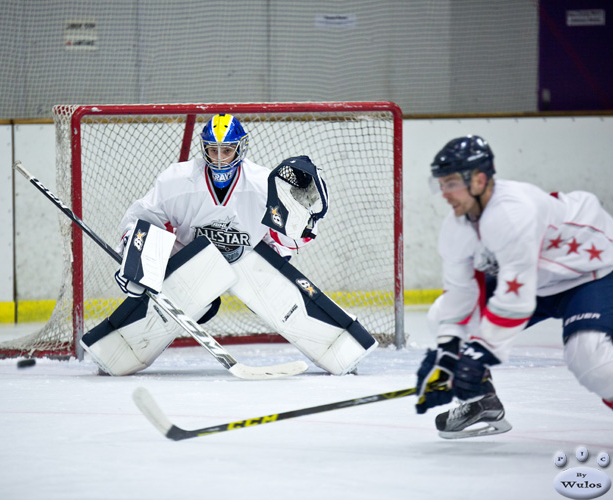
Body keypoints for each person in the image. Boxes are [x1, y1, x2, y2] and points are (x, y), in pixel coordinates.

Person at [80, 114, 378, 376]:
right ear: (204, 148)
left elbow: (286, 244)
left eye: (227, 150)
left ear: (240, 148)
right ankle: (114, 350)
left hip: (248, 263)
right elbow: (139, 219)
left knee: (270, 276)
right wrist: (135, 261)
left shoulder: (263, 184)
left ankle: (342, 347)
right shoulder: (178, 179)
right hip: (190, 263)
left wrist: (301, 223)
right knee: (157, 246)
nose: (220, 158)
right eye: (213, 150)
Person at [415, 135, 613, 439]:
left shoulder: (513, 212)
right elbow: (460, 296)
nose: (445, 193)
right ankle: (482, 401)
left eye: (452, 183)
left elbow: (514, 301)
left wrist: (480, 354)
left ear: (480, 180)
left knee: (590, 357)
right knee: (441, 313)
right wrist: (449, 355)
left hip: (589, 273)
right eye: (441, 184)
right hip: (539, 282)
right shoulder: (457, 226)